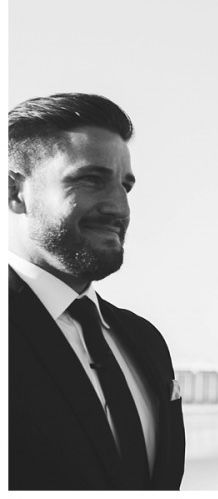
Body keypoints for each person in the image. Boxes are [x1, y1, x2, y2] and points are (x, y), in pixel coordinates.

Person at [8, 93, 185, 490]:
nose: (119, 208)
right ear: (16, 193)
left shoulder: (146, 341)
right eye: (91, 179)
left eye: (126, 186)